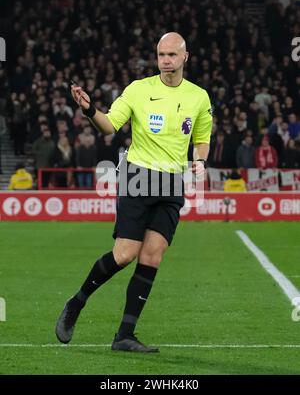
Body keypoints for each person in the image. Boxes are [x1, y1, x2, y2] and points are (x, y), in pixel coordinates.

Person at [55, 32, 213, 353]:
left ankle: (124, 335)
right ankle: (77, 302)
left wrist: (200, 160)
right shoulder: (139, 90)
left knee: (152, 256)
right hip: (138, 177)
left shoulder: (199, 97)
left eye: (172, 55)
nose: (166, 60)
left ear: (185, 57)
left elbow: (201, 137)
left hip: (171, 183)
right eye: (161, 55)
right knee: (125, 254)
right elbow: (110, 125)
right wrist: (89, 110)